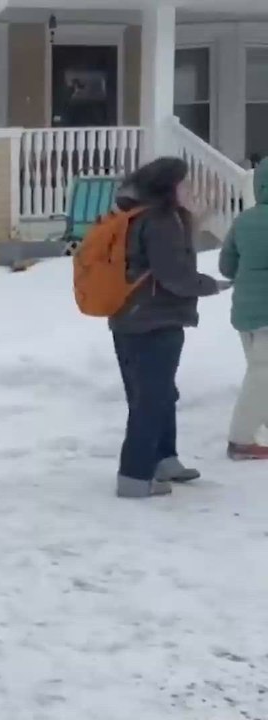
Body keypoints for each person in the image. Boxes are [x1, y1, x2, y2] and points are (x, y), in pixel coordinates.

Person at [109, 157, 226, 498]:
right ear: (169, 187)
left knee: (154, 393)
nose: (189, 189)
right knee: (153, 397)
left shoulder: (136, 214)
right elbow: (174, 274)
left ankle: (164, 458)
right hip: (155, 320)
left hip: (129, 317)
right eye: (185, 182)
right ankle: (134, 475)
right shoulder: (160, 220)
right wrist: (210, 285)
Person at [219, 162, 268, 460]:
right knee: (262, 374)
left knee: (260, 371)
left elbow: (227, 266)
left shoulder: (244, 220)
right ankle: (240, 441)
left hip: (245, 313)